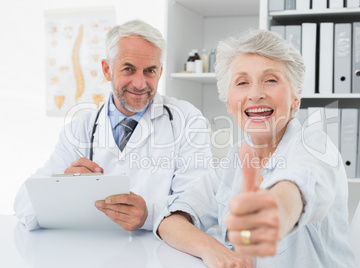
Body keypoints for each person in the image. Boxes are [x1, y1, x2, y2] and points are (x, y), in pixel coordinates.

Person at [154, 29, 356, 267]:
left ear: (295, 98)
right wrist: (211, 249)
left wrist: (271, 213)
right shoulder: (237, 158)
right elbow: (170, 217)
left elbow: (298, 186)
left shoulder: (314, 145)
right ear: (229, 102)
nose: (256, 94)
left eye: (271, 80)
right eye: (242, 82)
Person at [14, 19, 212, 231]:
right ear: (107, 69)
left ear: (160, 72)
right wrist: (61, 188)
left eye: (150, 71)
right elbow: (24, 203)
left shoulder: (187, 120)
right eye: (129, 69)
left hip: (160, 255)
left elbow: (201, 204)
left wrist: (149, 214)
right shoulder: (79, 129)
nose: (140, 83)